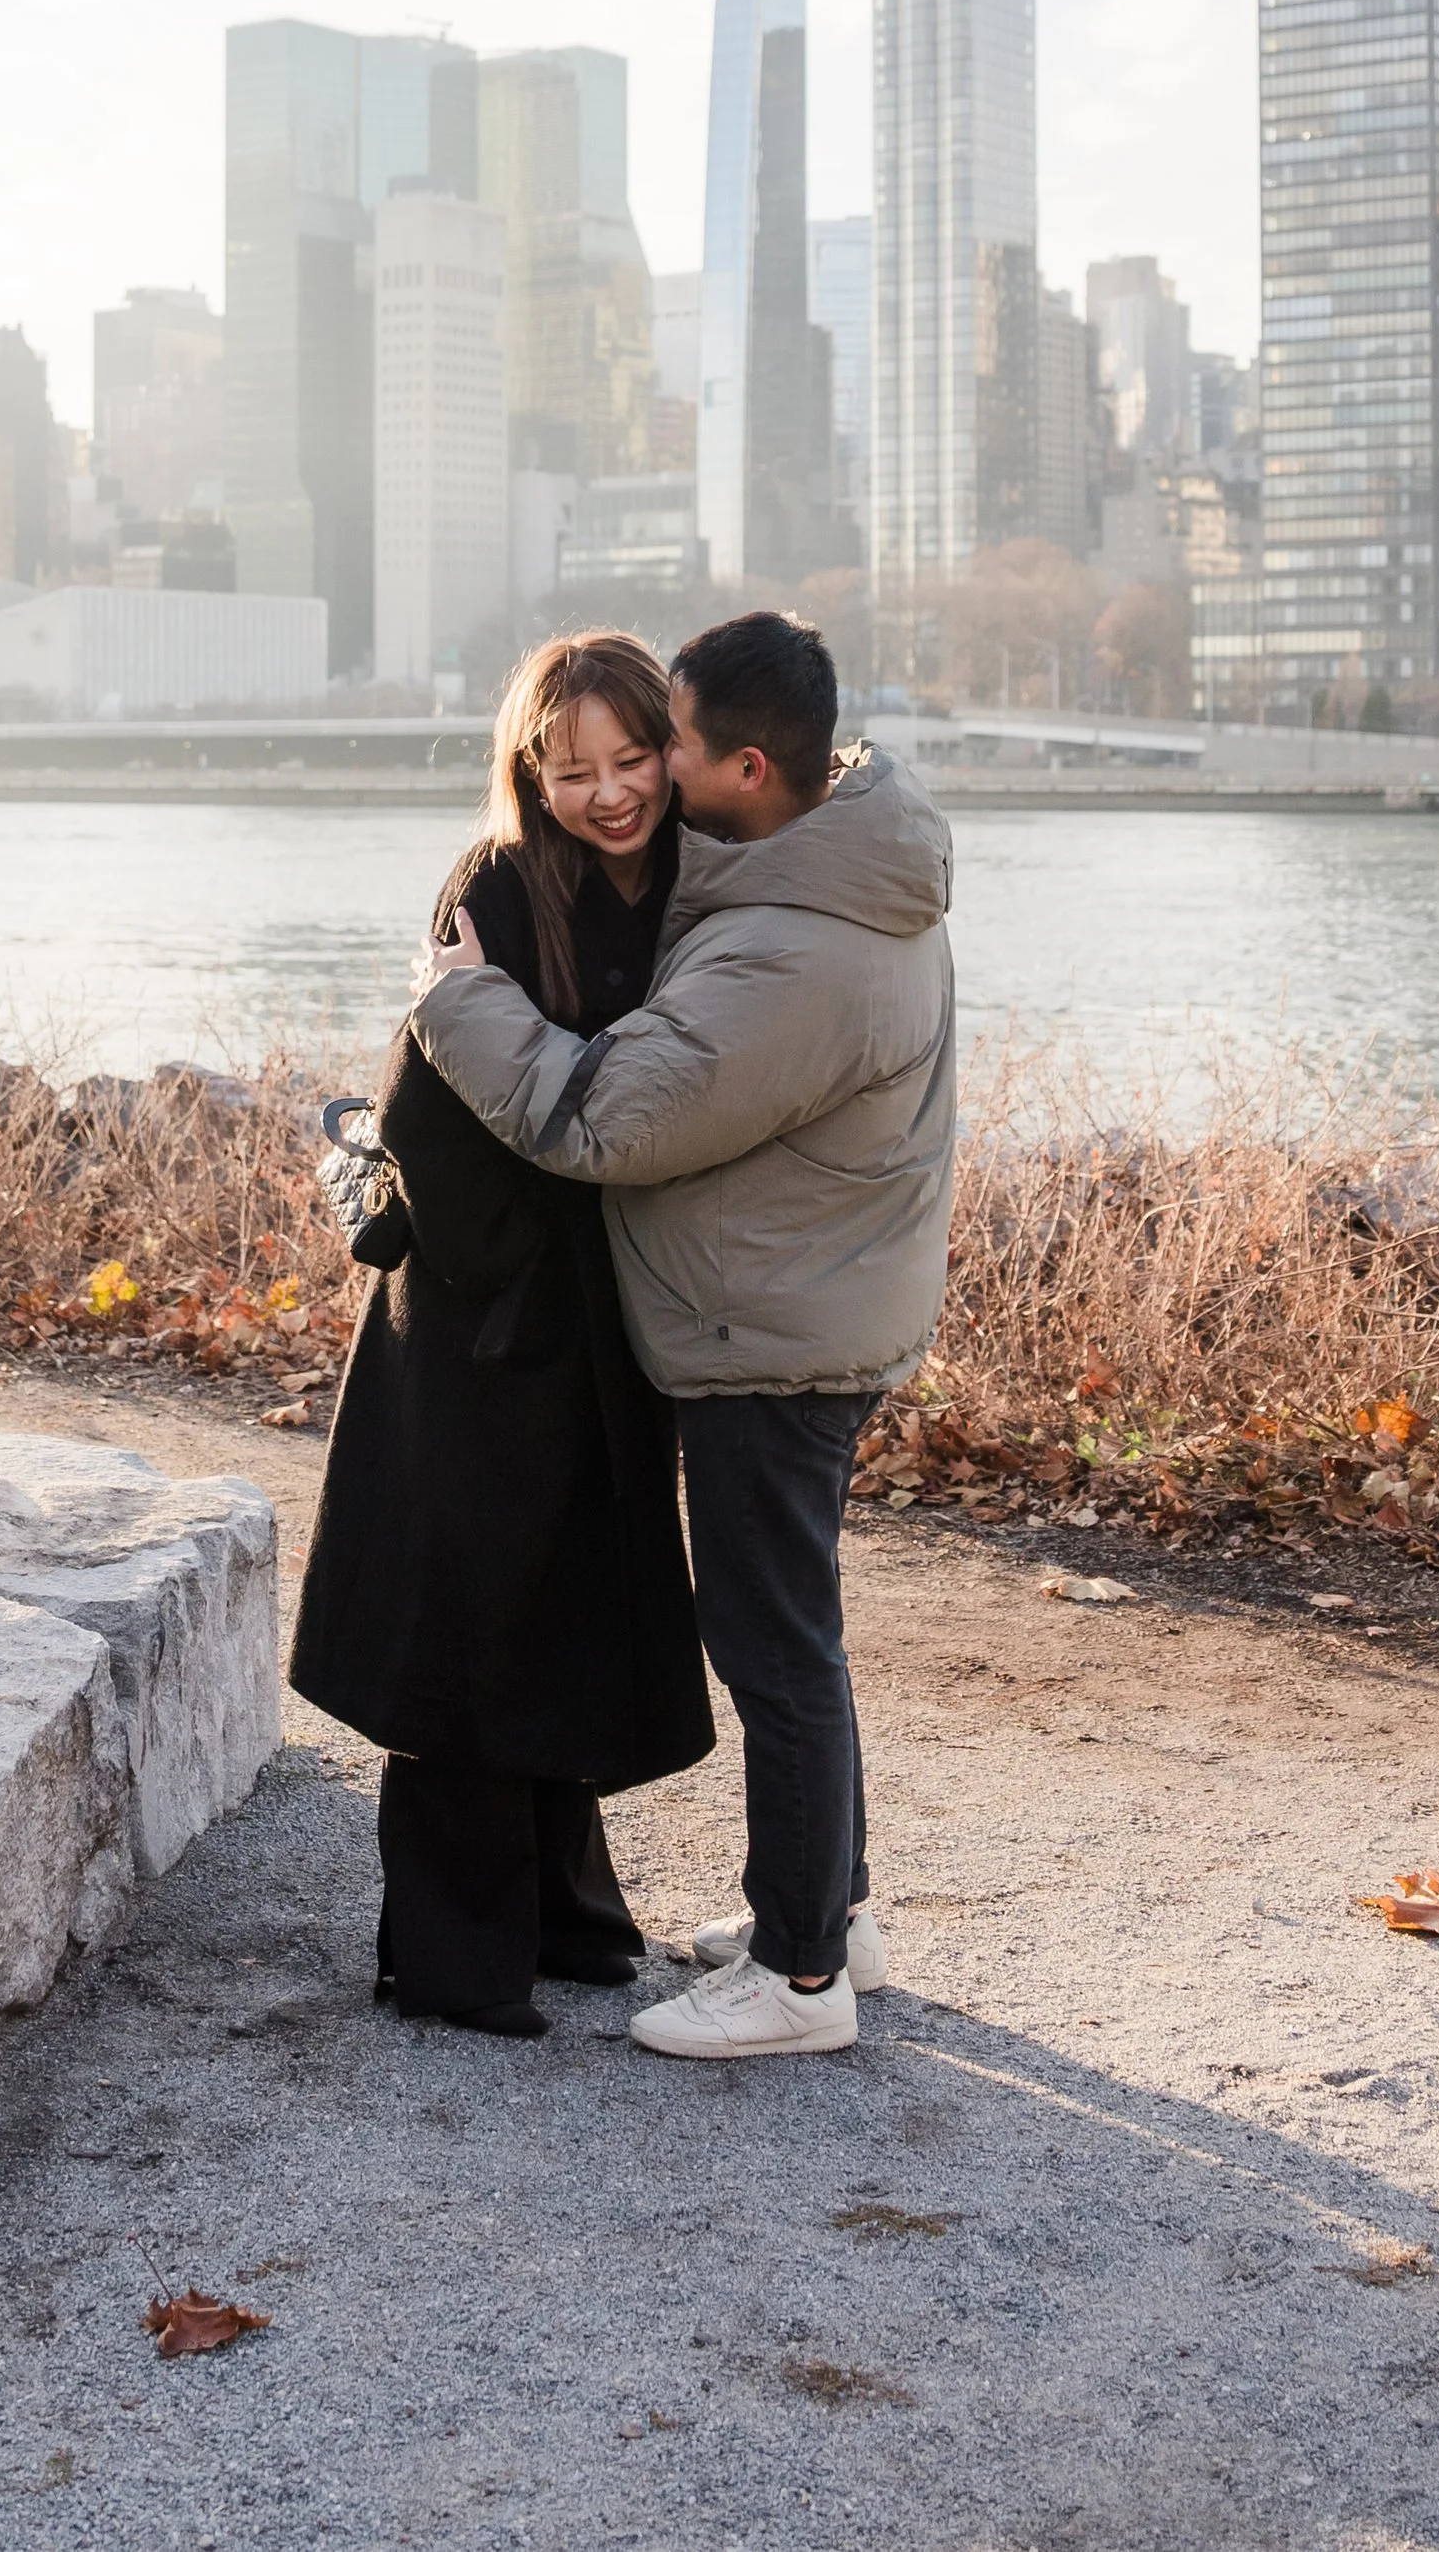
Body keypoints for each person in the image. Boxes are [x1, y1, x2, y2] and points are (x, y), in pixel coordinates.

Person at [412, 608, 956, 2061]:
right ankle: (829, 1914)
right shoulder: (849, 877)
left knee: (775, 1652)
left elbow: (604, 1120)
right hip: (807, 1301)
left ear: (746, 767)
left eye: (670, 746)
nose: (646, 780)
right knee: (799, 1638)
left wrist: (459, 1007)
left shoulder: (786, 949)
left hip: (771, 1330)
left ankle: (795, 1982)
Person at [289, 631, 714, 2039]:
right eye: (573, 767)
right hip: (483, 1309)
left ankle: (569, 1921)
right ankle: (457, 1958)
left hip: (605, 1312)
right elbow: (420, 1106)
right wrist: (524, 1263)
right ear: (531, 769)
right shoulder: (493, 886)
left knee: (566, 1608)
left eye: (632, 758)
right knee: (469, 1621)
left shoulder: (691, 883)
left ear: (673, 744)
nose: (608, 793)